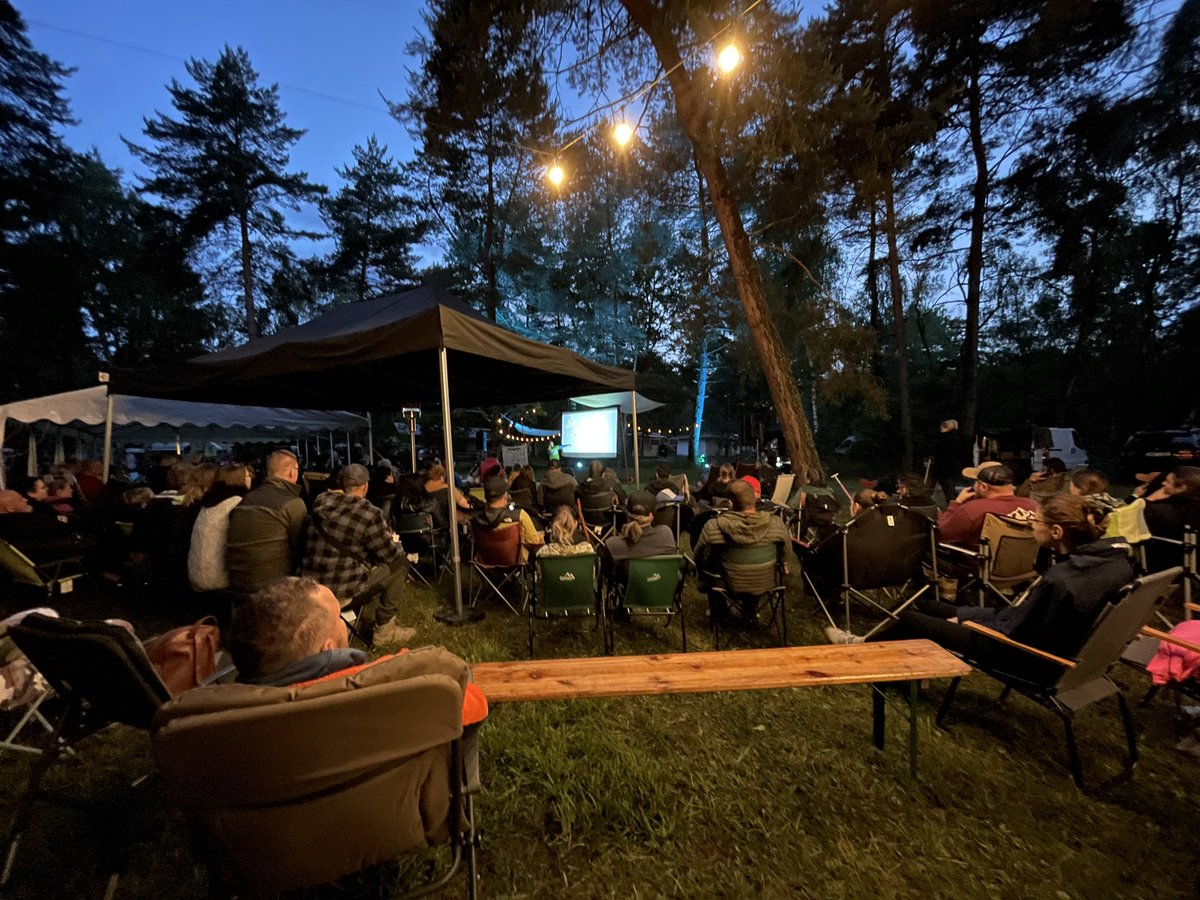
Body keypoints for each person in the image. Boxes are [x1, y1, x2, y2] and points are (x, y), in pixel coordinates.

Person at [829, 496, 1135, 680]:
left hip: (1022, 656)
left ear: (1056, 532)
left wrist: (967, 621)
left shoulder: (1062, 578)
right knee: (929, 606)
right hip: (1051, 644)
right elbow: (1019, 616)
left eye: (1036, 522)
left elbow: (1014, 630)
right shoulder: (1113, 563)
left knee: (912, 619)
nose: (1032, 526)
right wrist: (963, 614)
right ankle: (901, 664)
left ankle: (857, 649)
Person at [300, 464, 413, 648]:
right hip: (342, 592)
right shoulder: (368, 513)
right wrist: (395, 543)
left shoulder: (320, 503)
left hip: (312, 588)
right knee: (401, 564)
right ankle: (385, 630)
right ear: (365, 486)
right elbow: (390, 554)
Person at [228, 576, 363, 685]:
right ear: (328, 650)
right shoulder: (361, 703)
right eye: (338, 615)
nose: (342, 622)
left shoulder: (230, 712)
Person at [694, 480, 790, 620]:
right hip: (764, 582)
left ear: (730, 503)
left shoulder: (713, 526)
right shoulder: (776, 525)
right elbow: (786, 553)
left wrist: (703, 567)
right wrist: (782, 564)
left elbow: (698, 556)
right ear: (755, 499)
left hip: (727, 584)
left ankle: (719, 612)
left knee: (710, 567)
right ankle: (749, 612)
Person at [225, 449, 309, 592]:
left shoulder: (246, 500)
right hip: (273, 583)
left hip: (236, 579)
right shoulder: (293, 503)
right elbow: (301, 547)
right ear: (292, 472)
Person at [937, 462, 1039, 551]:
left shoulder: (973, 509)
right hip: (1027, 569)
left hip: (978, 568)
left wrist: (956, 503)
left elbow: (940, 534)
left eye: (975, 482)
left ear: (983, 487)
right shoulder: (1033, 506)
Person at [188, 463, 252, 593]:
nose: (251, 477)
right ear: (239, 480)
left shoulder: (208, 502)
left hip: (195, 572)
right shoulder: (236, 502)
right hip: (216, 578)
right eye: (247, 475)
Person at [472, 477, 543, 563]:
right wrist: (542, 535)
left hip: (486, 561)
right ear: (505, 495)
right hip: (515, 561)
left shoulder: (476, 518)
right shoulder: (519, 515)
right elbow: (533, 541)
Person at [603, 491, 677, 570]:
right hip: (662, 580)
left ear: (627, 515)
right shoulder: (666, 534)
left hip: (631, 582)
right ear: (651, 516)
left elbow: (608, 573)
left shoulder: (613, 545)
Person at [423, 462, 472, 528]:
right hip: (445, 524)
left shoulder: (422, 488)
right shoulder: (448, 489)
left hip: (427, 524)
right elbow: (466, 505)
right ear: (441, 477)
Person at [931, 419, 966, 506]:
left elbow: (945, 455)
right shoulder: (957, 438)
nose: (941, 428)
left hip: (945, 469)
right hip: (950, 468)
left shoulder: (948, 439)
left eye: (943, 426)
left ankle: (952, 507)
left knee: (948, 491)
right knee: (949, 490)